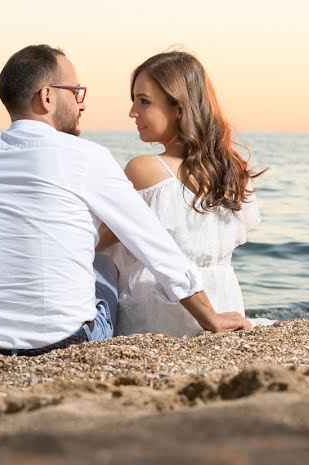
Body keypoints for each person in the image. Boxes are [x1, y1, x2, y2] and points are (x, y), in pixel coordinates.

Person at [0, 45, 250, 359]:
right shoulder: (88, 157)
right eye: (76, 92)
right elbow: (153, 243)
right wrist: (209, 317)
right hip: (70, 342)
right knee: (100, 247)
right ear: (47, 96)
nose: (82, 103)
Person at [98, 51, 270, 337]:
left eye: (144, 101)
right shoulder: (233, 172)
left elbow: (96, 242)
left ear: (178, 108)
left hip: (160, 314)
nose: (132, 112)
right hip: (225, 305)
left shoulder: (144, 170)